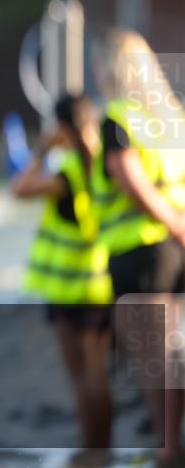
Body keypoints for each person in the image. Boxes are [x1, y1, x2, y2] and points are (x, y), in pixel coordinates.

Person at [91, 28, 185, 463]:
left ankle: (167, 449)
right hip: (176, 247)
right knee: (174, 348)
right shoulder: (171, 118)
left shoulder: (118, 118)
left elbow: (131, 179)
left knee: (153, 355)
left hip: (141, 251)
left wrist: (168, 221)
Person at [12, 95, 112, 459]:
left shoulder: (68, 170)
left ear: (62, 128)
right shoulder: (104, 162)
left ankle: (91, 451)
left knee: (82, 379)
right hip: (102, 282)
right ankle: (103, 450)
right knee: (98, 376)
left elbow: (19, 188)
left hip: (71, 288)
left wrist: (41, 150)